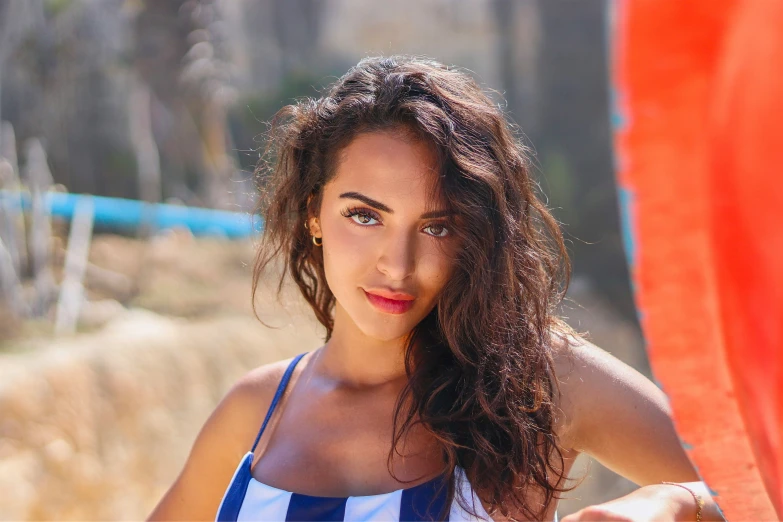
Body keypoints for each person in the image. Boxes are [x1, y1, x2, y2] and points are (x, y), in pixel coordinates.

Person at [147, 56, 724, 522]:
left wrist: (673, 502)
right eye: (365, 216)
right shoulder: (254, 414)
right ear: (313, 217)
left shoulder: (536, 385)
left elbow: (761, 489)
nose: (398, 265)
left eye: (436, 226)